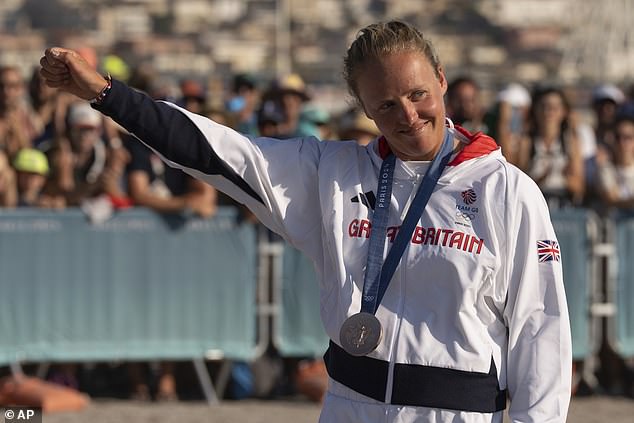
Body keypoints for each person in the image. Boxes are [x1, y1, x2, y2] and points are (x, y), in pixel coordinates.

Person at [40, 20, 571, 422]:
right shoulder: (333, 175)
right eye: (385, 105)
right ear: (364, 108)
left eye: (417, 95)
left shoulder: (506, 191)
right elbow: (214, 151)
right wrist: (107, 95)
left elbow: (540, 327)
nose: (408, 116)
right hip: (351, 405)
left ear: (441, 81)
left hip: (455, 412)